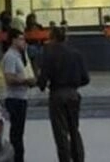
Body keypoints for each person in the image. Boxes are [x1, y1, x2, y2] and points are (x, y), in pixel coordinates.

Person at [37, 26, 89, 162]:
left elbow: (42, 80)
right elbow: (86, 78)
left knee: (61, 133)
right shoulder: (76, 54)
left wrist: (41, 84)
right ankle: (79, 158)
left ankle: (65, 159)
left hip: (57, 95)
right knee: (74, 129)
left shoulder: (49, 55)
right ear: (66, 38)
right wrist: (73, 85)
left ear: (52, 38)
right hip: (73, 94)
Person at [1, 28, 36, 162]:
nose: (24, 42)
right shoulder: (10, 56)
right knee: (16, 134)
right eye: (21, 39)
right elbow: (9, 78)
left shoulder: (19, 56)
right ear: (13, 40)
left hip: (21, 97)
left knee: (19, 132)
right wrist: (26, 81)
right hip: (15, 99)